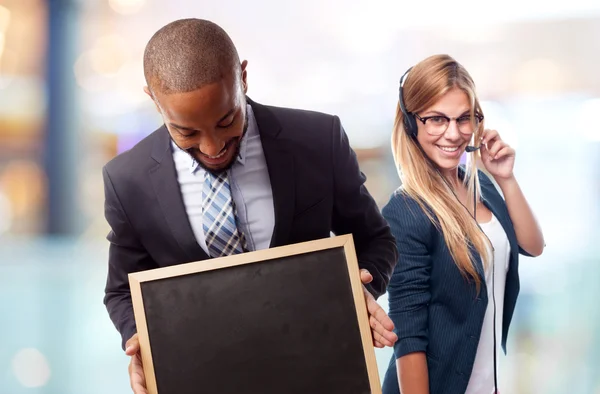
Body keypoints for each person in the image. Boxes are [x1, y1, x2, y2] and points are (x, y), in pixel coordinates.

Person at [102, 18, 398, 393]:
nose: (212, 147)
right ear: (153, 100)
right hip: (203, 379)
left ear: (242, 78)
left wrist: (362, 292)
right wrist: (141, 342)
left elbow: (377, 241)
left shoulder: (318, 141)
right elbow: (121, 290)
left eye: (227, 120)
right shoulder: (127, 179)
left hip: (322, 371)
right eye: (187, 132)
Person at [380, 54, 545, 394]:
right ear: (412, 123)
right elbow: (408, 335)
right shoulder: (407, 210)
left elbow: (532, 245)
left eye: (463, 119)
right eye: (437, 119)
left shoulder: (479, 185)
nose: (453, 134)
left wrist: (506, 179)